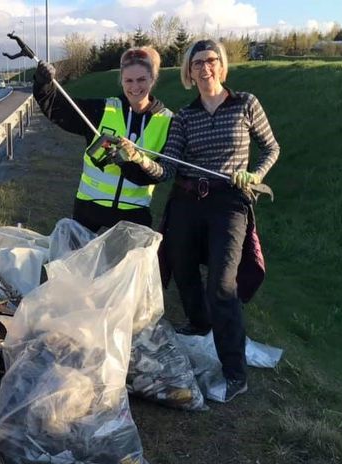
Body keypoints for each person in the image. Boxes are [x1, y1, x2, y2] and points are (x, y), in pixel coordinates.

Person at [123, 40, 280, 402]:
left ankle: (234, 373)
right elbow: (166, 169)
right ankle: (199, 324)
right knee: (181, 266)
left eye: (212, 61)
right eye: (197, 63)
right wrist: (136, 158)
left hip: (230, 202)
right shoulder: (185, 116)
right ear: (189, 73)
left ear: (222, 67)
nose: (205, 67)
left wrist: (255, 174)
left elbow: (272, 148)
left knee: (223, 286)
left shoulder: (246, 104)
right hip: (187, 200)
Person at [33, 47, 173, 232]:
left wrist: (129, 162)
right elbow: (58, 109)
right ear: (121, 81)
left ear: (153, 79)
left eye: (141, 80)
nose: (135, 87)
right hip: (90, 205)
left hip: (134, 212)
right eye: (128, 80)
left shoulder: (168, 121)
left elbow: (161, 173)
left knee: (133, 262)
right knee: (73, 259)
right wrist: (43, 84)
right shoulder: (103, 109)